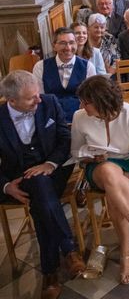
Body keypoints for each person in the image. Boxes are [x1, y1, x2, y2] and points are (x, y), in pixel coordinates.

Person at [71, 76, 129, 284]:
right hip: (98, 166)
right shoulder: (80, 117)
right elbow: (76, 152)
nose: (82, 106)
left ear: (101, 102)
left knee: (115, 199)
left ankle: (126, 252)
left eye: (86, 102)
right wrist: (91, 156)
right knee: (108, 172)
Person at [0, 71, 86, 298]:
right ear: (12, 101)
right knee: (40, 193)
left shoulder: (49, 102)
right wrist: (6, 186)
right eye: (31, 98)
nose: (39, 100)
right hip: (18, 178)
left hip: (56, 169)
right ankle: (68, 250)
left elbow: (65, 139)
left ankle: (50, 272)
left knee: (40, 187)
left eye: (38, 94)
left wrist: (50, 163)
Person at [32, 28, 97, 123]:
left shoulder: (88, 67)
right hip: (52, 118)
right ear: (54, 46)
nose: (68, 47)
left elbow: (91, 98)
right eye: (63, 43)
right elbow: (39, 97)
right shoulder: (40, 67)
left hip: (81, 118)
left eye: (71, 42)